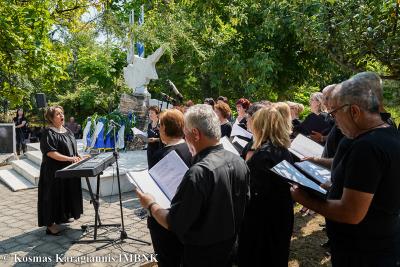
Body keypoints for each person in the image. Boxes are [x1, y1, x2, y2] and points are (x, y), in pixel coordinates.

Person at [291, 73, 400, 267]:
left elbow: (351, 213)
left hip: (364, 253)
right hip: (379, 243)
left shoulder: (366, 147)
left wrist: (306, 200)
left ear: (355, 111)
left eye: (334, 113)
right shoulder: (388, 133)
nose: (334, 121)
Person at [136, 104, 250, 267]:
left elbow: (174, 223)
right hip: (229, 249)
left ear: (195, 134)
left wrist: (150, 203)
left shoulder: (198, 173)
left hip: (202, 257)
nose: (184, 137)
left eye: (185, 132)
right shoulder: (238, 161)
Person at [238, 103, 294, 266]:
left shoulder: (263, 155)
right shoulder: (282, 149)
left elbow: (252, 195)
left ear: (260, 127)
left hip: (262, 223)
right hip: (280, 216)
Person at [146, 109, 192, 266]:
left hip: (167, 220)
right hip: (188, 216)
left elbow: (154, 192)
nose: (158, 129)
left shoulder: (160, 155)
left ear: (165, 128)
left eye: (160, 126)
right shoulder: (191, 149)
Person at [38, 105, 84, 235]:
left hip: (68, 170)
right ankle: (50, 225)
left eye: (62, 113)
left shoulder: (68, 131)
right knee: (52, 197)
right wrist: (70, 159)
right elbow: (51, 153)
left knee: (66, 194)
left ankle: (62, 217)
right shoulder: (48, 133)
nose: (61, 115)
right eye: (58, 114)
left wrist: (78, 156)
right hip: (53, 172)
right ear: (51, 118)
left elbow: (72, 148)